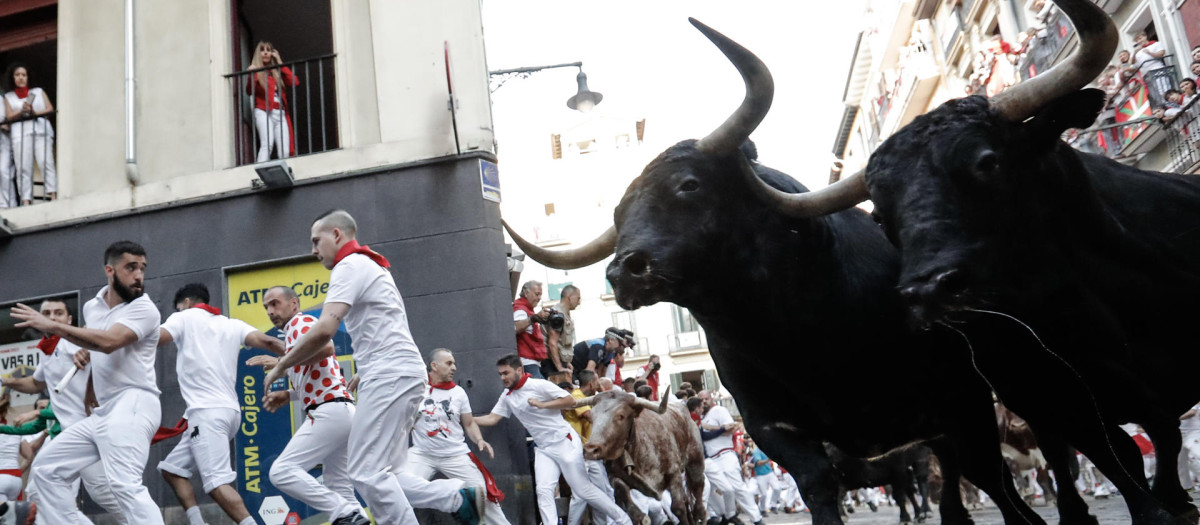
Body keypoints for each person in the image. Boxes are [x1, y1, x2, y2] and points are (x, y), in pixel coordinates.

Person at [263, 210, 482, 525]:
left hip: (390, 374)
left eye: (316, 241)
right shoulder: (369, 265)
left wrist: (281, 365)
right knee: (386, 474)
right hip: (398, 373)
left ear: (337, 235)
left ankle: (454, 498)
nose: (313, 250)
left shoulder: (349, 266)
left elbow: (326, 329)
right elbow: (384, 325)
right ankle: (457, 498)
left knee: (366, 472)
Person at [11, 241, 164, 524]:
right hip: (103, 412)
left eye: (142, 268)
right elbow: (96, 354)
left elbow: (109, 343)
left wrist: (53, 327)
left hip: (134, 402)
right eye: (131, 267)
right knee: (45, 470)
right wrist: (91, 389)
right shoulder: (94, 307)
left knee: (123, 484)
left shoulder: (144, 309)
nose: (139, 275)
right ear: (110, 270)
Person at [156, 283, 283, 525]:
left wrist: (123, 336)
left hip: (207, 413)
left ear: (185, 303)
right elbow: (266, 340)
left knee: (216, 483)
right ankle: (197, 522)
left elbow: (158, 338)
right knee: (171, 469)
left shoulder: (183, 317)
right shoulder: (231, 324)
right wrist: (297, 357)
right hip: (229, 413)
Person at [247, 285, 369, 525]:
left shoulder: (298, 324)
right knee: (340, 489)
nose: (270, 311)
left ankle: (341, 511)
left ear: (294, 304)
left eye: (275, 303)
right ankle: (349, 512)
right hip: (342, 411)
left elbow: (327, 347)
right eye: (266, 307)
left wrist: (281, 363)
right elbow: (325, 377)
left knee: (281, 472)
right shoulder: (298, 334)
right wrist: (289, 394)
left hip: (330, 412)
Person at [1, 298, 126, 522]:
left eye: (58, 313)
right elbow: (36, 384)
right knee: (41, 488)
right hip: (69, 435)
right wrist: (6, 381)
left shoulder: (75, 340)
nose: (52, 318)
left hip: (89, 431)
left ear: (69, 320)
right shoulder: (48, 351)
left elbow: (102, 340)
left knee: (103, 492)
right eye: (47, 313)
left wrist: (89, 352)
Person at [475, 354, 633, 525]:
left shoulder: (539, 385)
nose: (502, 377)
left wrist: (543, 405)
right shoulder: (507, 396)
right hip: (544, 449)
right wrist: (466, 419)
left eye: (506, 373)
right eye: (500, 374)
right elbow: (492, 419)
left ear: (519, 370)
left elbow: (570, 400)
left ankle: (623, 519)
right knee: (543, 491)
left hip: (565, 442)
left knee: (582, 489)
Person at [404, 348, 510, 525]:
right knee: (399, 489)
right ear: (434, 366)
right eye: (449, 363)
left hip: (455, 454)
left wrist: (479, 440)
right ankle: (452, 498)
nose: (454, 367)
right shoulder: (416, 390)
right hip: (422, 454)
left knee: (480, 495)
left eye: (454, 363)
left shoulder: (458, 393)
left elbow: (468, 423)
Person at [698, 390, 764, 525]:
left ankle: (756, 519)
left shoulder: (719, 410)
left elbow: (731, 429)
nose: (704, 401)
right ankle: (725, 515)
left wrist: (710, 428)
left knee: (738, 488)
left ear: (711, 399)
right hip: (710, 460)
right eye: (701, 399)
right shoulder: (701, 418)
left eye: (706, 398)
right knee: (708, 489)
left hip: (724, 455)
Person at [563, 369, 618, 525]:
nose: (600, 384)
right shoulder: (577, 396)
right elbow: (591, 417)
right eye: (598, 382)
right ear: (592, 383)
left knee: (604, 492)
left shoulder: (587, 398)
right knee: (581, 496)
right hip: (580, 453)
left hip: (590, 453)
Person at [3, 63, 55, 205]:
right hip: (21, 134)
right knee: (23, 167)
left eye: (23, 75)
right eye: (17, 75)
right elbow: (8, 116)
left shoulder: (38, 92)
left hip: (41, 131)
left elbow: (49, 108)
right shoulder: (9, 96)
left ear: (28, 77)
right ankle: (26, 200)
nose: (21, 78)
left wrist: (34, 113)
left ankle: (53, 195)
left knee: (46, 162)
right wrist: (21, 112)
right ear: (12, 77)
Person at [247, 41, 298, 162]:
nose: (265, 52)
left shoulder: (276, 72)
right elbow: (249, 90)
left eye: (268, 50)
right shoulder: (256, 71)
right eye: (262, 50)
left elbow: (294, 82)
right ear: (258, 54)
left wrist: (280, 62)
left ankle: (286, 173)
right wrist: (251, 75)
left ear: (272, 54)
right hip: (263, 111)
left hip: (280, 113)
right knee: (267, 145)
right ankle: (259, 176)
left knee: (285, 151)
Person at [513, 281, 552, 379]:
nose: (539, 298)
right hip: (527, 362)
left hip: (532, 362)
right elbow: (515, 328)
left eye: (540, 295)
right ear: (526, 293)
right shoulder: (520, 309)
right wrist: (532, 319)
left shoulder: (526, 308)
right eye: (537, 294)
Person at [543, 285, 581, 380]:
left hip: (558, 362)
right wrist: (559, 367)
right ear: (570, 296)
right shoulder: (557, 314)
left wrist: (567, 363)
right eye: (578, 298)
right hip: (551, 363)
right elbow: (552, 343)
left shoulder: (564, 314)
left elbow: (562, 343)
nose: (579, 302)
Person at [1179, 404, 1200, 490]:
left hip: (1194, 432)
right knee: (1180, 461)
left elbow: (1192, 412)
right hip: (1179, 432)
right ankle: (1186, 487)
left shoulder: (1191, 396)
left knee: (1196, 455)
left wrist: (1172, 418)